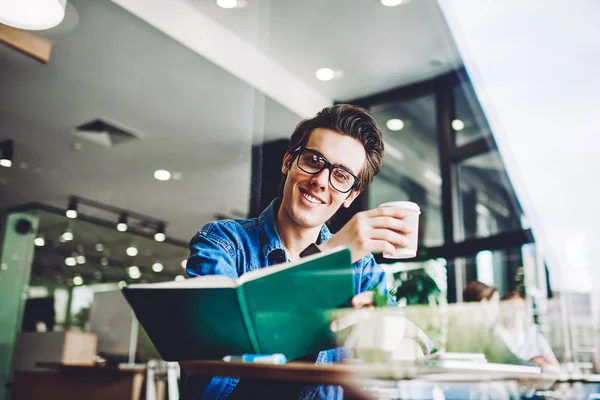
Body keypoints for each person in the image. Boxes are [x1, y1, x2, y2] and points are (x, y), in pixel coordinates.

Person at [183, 104, 418, 399]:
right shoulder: (222, 244)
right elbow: (210, 360)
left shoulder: (361, 269)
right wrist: (328, 257)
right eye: (313, 160)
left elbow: (414, 350)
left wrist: (383, 338)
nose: (320, 180)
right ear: (288, 162)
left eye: (342, 175)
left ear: (351, 196)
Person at [500, 292, 560, 372]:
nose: (516, 312)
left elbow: (556, 368)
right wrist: (531, 365)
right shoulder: (498, 335)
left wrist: (542, 365)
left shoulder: (534, 335)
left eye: (520, 308)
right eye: (511, 308)